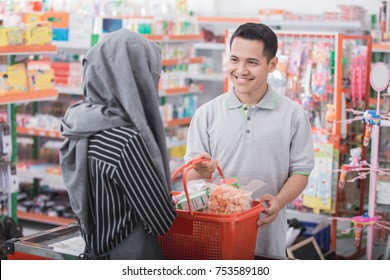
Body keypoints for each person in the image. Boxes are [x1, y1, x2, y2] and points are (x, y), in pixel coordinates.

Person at [184, 23, 314, 259]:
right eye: (234, 60)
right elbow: (189, 178)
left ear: (272, 65)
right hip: (213, 242)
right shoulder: (206, 114)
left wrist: (278, 201)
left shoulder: (293, 115)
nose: (240, 70)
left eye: (251, 62)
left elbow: (301, 172)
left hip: (266, 241)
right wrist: (200, 170)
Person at [59, 29, 176, 260]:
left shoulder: (75, 124)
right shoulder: (125, 141)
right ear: (138, 79)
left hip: (95, 251)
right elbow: (161, 220)